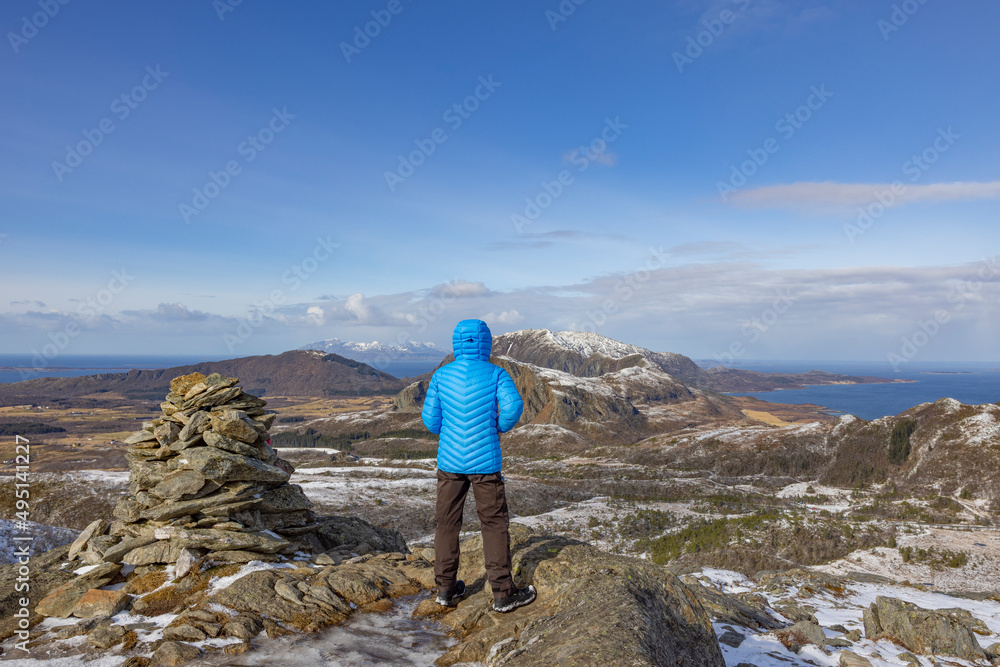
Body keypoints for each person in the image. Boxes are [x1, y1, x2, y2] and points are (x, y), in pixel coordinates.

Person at [421, 319, 535, 613]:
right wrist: (496, 427)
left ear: (456, 343)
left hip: (449, 463)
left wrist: (450, 430)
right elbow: (514, 407)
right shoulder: (497, 374)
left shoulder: (441, 376)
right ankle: (502, 593)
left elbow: (431, 421)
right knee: (494, 524)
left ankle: (445, 590)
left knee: (446, 525)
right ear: (487, 342)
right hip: (486, 463)